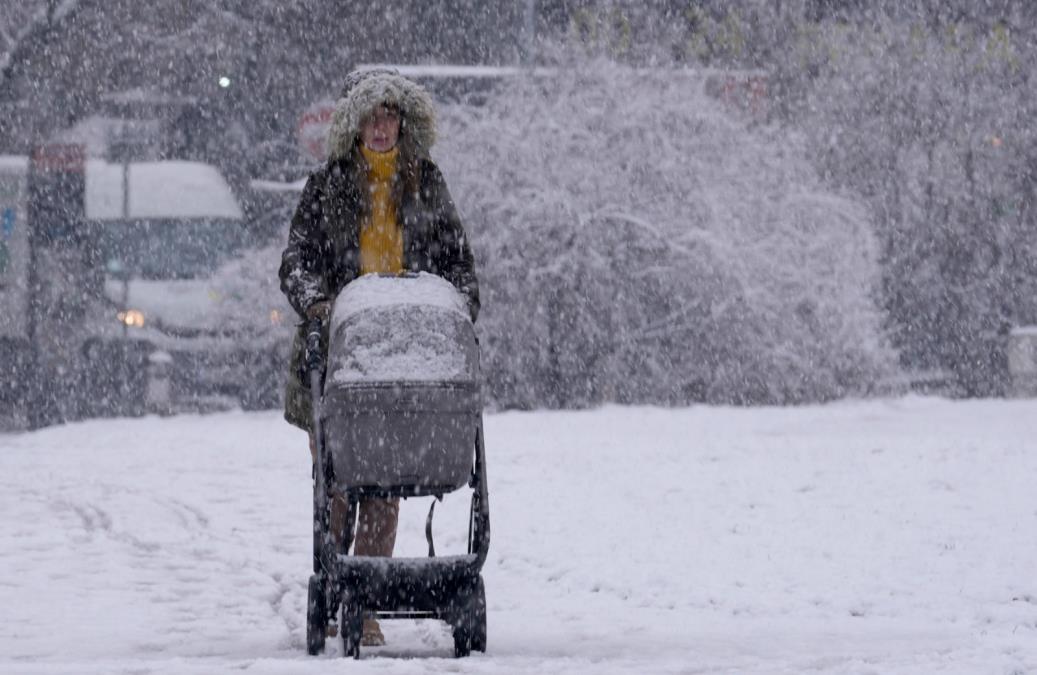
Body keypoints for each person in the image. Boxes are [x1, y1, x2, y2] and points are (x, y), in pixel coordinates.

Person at [279, 69, 479, 646]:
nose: (382, 126)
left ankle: (364, 601)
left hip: (406, 352)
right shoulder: (328, 187)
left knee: (388, 483)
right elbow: (295, 260)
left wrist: (459, 305)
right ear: (355, 124)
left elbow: (458, 259)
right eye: (372, 117)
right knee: (340, 483)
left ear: (404, 122)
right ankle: (340, 582)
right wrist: (319, 304)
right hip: (340, 354)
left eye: (390, 116)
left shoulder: (426, 184)